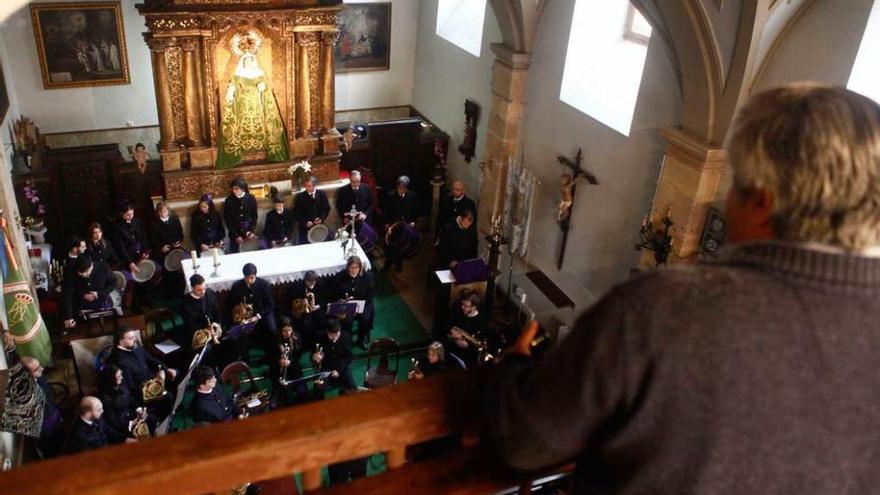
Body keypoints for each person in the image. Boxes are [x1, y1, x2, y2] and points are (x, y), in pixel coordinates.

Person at [485, 85, 880, 493]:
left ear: (762, 202)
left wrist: (513, 368)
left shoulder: (662, 307)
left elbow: (522, 441)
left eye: (736, 187)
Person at [109, 325, 177, 406]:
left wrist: (166, 369)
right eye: (131, 338)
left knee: (176, 375)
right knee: (168, 397)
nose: (134, 340)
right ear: (121, 342)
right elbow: (131, 388)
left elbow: (150, 359)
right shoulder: (119, 361)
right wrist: (156, 384)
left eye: (134, 337)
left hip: (153, 378)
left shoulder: (134, 346)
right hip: (143, 391)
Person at [228, 263, 277, 356]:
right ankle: (244, 358)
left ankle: (271, 355)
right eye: (248, 278)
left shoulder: (264, 285)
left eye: (252, 278)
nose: (250, 280)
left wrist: (258, 316)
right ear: (244, 276)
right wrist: (240, 313)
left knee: (272, 329)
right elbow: (232, 304)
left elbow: (270, 305)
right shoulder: (237, 286)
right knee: (240, 332)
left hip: (262, 314)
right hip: (245, 317)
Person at [61, 255, 117, 329]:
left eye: (87, 271)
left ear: (92, 266)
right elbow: (67, 295)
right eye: (81, 273)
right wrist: (69, 317)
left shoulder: (103, 267)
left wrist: (98, 294)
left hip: (101, 305)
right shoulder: (70, 271)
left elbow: (113, 283)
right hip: (79, 306)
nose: (84, 275)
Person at [332, 256, 375, 350]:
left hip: (364, 304)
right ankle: (347, 339)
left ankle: (361, 339)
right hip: (347, 305)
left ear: (360, 268)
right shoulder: (340, 277)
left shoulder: (368, 276)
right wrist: (341, 300)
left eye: (356, 268)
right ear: (348, 268)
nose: (354, 270)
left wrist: (359, 306)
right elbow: (335, 294)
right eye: (352, 267)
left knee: (365, 319)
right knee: (346, 320)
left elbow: (370, 295)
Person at [98, 365, 148, 440]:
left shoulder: (121, 384)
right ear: (111, 379)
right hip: (124, 425)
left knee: (151, 420)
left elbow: (130, 399)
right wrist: (132, 422)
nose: (122, 377)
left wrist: (139, 410)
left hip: (132, 414)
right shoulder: (104, 398)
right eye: (118, 376)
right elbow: (114, 422)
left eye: (121, 375)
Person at [384, 175, 419, 272]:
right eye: (399, 187)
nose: (401, 189)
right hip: (393, 226)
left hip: (405, 228)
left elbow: (415, 210)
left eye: (403, 188)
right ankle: (388, 262)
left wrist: (413, 222)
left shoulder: (412, 196)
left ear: (407, 188)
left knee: (401, 247)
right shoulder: (390, 195)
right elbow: (386, 211)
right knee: (390, 246)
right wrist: (386, 223)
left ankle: (398, 264)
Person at [446, 291, 490, 366]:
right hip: (451, 345)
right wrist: (452, 330)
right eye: (462, 304)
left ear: (474, 306)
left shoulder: (482, 322)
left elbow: (479, 343)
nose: (462, 307)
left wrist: (467, 345)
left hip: (467, 354)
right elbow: (447, 324)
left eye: (466, 306)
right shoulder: (458, 311)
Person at [287, 270, 329, 347]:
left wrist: (317, 306)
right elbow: (293, 301)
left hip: (317, 309)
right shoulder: (299, 286)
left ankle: (319, 341)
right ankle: (307, 344)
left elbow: (324, 299)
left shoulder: (320, 284)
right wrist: (302, 302)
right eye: (309, 283)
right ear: (305, 281)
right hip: (303, 311)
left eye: (313, 283)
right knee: (305, 324)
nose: (310, 285)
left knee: (321, 320)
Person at [312, 320, 355, 393]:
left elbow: (348, 357)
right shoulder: (319, 336)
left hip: (341, 366)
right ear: (327, 332)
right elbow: (313, 354)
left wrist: (338, 369)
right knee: (318, 386)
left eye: (337, 334)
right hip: (326, 366)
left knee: (351, 385)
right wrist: (314, 357)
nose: (335, 338)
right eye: (332, 335)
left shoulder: (346, 336)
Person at [272, 316, 306, 406]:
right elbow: (271, 357)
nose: (287, 333)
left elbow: (298, 355)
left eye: (290, 330)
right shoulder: (275, 339)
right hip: (280, 369)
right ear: (280, 330)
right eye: (284, 331)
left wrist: (290, 361)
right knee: (286, 394)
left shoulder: (296, 337)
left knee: (302, 391)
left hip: (294, 366)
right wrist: (279, 361)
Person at [110, 201, 149, 275]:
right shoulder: (116, 227)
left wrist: (145, 251)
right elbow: (120, 247)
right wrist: (129, 262)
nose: (131, 216)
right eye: (128, 215)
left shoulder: (137, 221)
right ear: (122, 214)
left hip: (141, 254)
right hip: (128, 258)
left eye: (132, 214)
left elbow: (143, 237)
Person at [223, 177, 258, 254]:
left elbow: (254, 216)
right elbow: (228, 221)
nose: (234, 191)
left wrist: (251, 231)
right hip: (235, 234)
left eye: (237, 189)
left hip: (248, 232)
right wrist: (236, 236)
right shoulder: (229, 201)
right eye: (233, 189)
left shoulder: (251, 198)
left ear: (243, 189)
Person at [293, 176, 331, 244]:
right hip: (305, 228)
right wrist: (305, 222)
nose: (307, 188)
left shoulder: (321, 194)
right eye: (306, 186)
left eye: (309, 186)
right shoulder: (300, 197)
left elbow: (327, 208)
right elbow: (296, 213)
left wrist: (321, 219)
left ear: (314, 186)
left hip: (319, 226)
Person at [149, 201, 184, 266]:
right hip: (164, 251)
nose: (163, 214)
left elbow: (180, 232)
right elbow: (152, 240)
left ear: (168, 211)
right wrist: (161, 247)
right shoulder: (154, 224)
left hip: (176, 248)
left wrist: (179, 242)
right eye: (160, 212)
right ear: (157, 212)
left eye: (165, 211)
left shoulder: (175, 219)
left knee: (180, 265)